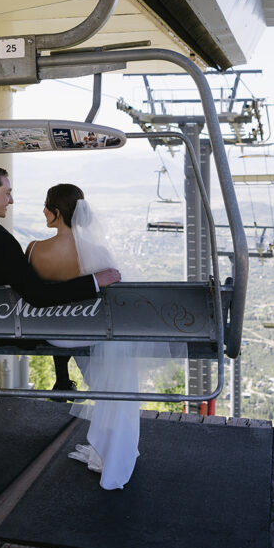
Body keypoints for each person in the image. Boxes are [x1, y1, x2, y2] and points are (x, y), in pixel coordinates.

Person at [28, 183, 170, 492]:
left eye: (45, 206)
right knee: (115, 372)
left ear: (55, 213)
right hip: (88, 334)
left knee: (105, 373)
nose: (42, 211)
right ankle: (112, 440)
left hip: (53, 336)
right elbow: (120, 304)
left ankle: (101, 431)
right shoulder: (97, 253)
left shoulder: (34, 249)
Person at [0, 166, 121, 393]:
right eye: (7, 193)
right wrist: (93, 281)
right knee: (53, 313)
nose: (11, 200)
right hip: (5, 331)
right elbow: (39, 296)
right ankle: (63, 380)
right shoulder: (3, 242)